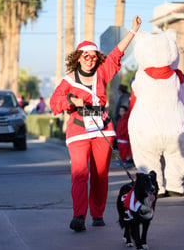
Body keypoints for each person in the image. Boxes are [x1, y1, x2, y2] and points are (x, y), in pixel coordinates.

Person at [50, 15, 141, 232]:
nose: (90, 59)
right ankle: (79, 216)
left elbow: (117, 53)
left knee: (100, 175)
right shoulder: (69, 79)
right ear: (79, 58)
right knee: (80, 173)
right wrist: (72, 99)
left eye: (93, 56)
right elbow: (55, 101)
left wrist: (133, 31)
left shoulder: (102, 72)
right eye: (86, 56)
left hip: (102, 129)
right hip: (78, 130)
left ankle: (97, 214)